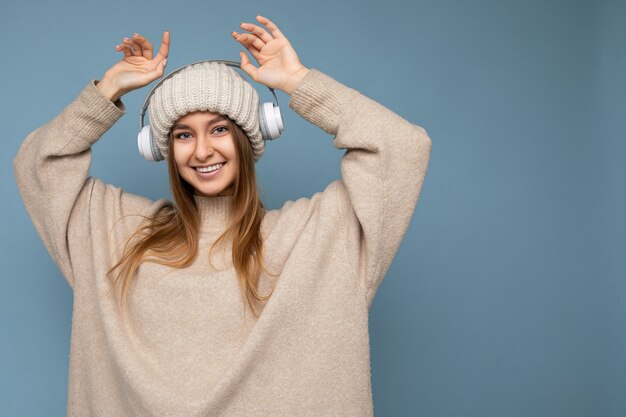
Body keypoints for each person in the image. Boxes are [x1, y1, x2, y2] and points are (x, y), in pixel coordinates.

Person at [13, 14, 432, 417]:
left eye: (219, 129)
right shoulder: (119, 236)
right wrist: (107, 90)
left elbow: (401, 148)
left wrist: (298, 82)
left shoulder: (318, 236)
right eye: (182, 134)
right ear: (161, 149)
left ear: (251, 135)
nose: (201, 151)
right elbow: (39, 167)